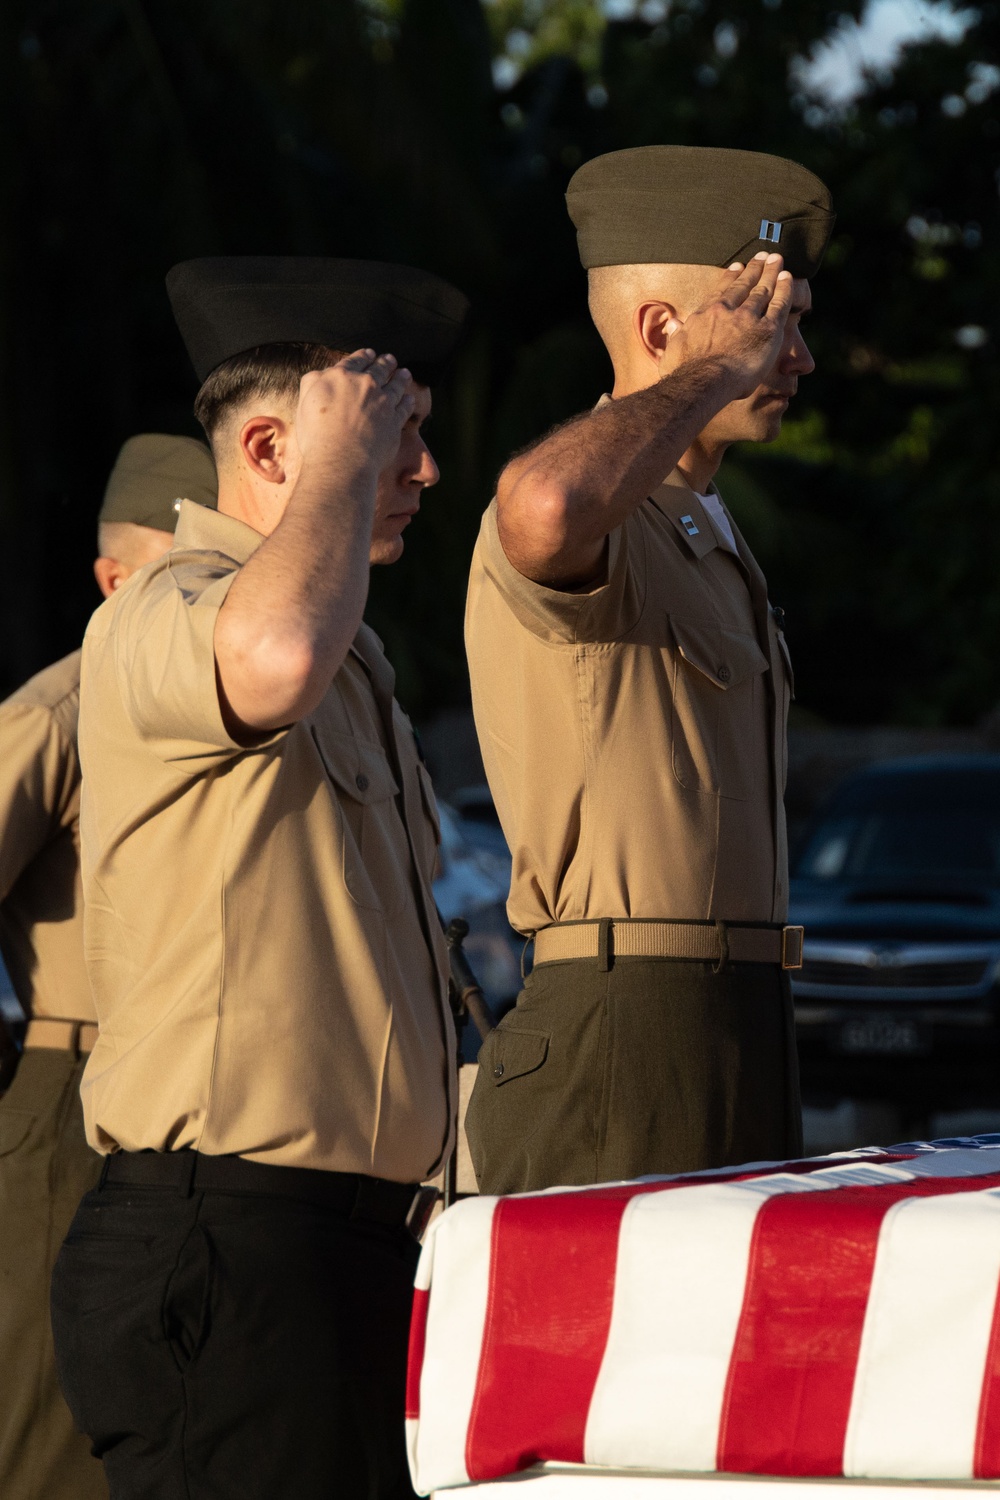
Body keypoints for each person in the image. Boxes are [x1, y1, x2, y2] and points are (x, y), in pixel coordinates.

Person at [50, 256, 468, 1500]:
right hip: (227, 1242)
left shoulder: (354, 655)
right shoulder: (172, 608)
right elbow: (271, 652)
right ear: (277, 450)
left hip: (341, 1251)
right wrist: (340, 454)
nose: (424, 474)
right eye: (398, 436)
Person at [464, 146, 834, 1194]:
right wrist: (712, 373)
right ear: (662, 331)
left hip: (738, 1016)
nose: (791, 357)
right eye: (767, 323)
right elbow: (539, 508)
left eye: (792, 325)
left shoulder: (707, 530)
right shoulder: (602, 514)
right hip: (623, 1024)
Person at [0, 433, 217, 1500]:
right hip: (69, 1103)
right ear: (113, 582)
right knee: (54, 1431)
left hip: (195, 1112)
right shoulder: (57, 712)